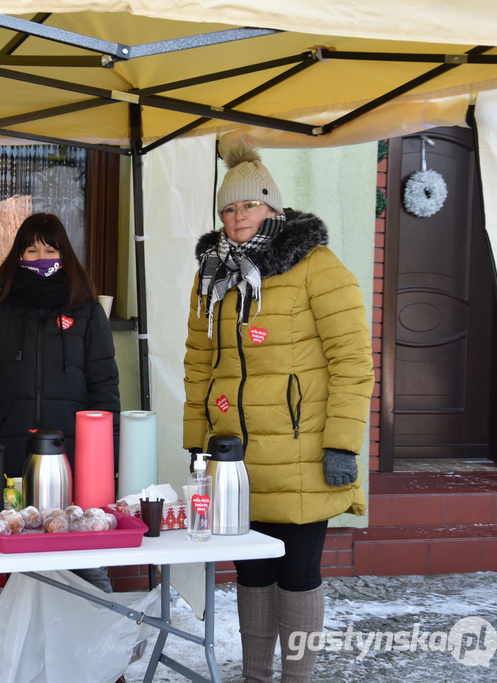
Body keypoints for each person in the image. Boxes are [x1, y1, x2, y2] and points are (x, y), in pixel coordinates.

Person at [182, 144, 374, 682]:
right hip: (236, 461)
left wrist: (342, 444)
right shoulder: (213, 279)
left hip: (302, 455)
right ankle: (256, 677)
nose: (236, 217)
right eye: (227, 209)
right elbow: (200, 364)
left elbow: (354, 363)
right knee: (251, 572)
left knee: (297, 573)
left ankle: (297, 678)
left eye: (248, 206)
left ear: (273, 209)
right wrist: (198, 441)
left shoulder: (319, 267)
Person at [0, 212, 121, 592]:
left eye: (49, 250)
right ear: (18, 256)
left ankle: (100, 630)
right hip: (13, 458)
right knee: (17, 559)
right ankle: (19, 641)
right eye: (31, 250)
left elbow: (105, 390)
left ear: (64, 254)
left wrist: (109, 459)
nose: (40, 258)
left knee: (86, 556)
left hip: (75, 460)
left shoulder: (86, 309)